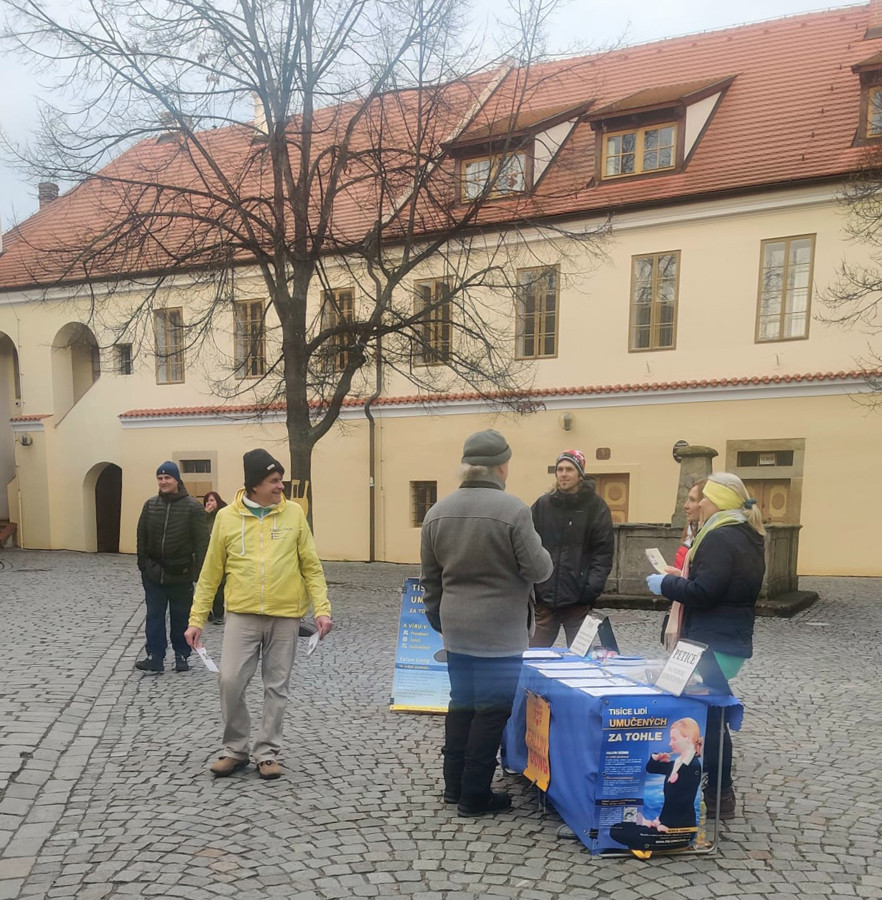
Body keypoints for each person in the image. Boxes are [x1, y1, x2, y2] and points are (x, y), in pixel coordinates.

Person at [421, 430, 553, 817]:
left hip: (457, 627)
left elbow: (430, 580)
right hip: (501, 632)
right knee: (492, 711)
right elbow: (539, 569)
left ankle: (454, 785)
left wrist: (441, 619)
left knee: (461, 705)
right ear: (501, 466)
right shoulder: (514, 511)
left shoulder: (436, 512)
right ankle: (475, 795)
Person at [185, 449, 332, 781]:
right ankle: (235, 749)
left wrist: (321, 610)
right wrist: (196, 620)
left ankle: (266, 752)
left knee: (276, 686)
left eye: (280, 480)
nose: (281, 486)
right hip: (242, 614)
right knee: (229, 680)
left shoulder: (294, 514)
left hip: (285, 617)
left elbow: (311, 566)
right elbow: (210, 575)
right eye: (274, 481)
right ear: (254, 485)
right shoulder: (226, 518)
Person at [646, 472, 765, 819]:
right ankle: (716, 793)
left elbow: (705, 592)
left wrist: (666, 585)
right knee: (712, 716)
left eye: (703, 498)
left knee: (712, 719)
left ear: (717, 502)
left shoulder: (719, 537)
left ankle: (719, 794)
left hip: (712, 641)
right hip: (726, 639)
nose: (697, 504)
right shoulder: (744, 534)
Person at [529, 450, 614, 647]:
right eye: (559, 469)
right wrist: (535, 587)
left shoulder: (596, 507)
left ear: (580, 474)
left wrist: (590, 590)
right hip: (544, 600)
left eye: (569, 469)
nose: (563, 474)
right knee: (532, 658)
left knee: (582, 662)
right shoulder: (542, 505)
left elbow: (603, 553)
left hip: (578, 601)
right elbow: (529, 546)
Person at [135, 461, 210, 675]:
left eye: (167, 478)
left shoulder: (192, 507)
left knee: (181, 616)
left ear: (177, 480)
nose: (163, 481)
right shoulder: (150, 505)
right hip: (154, 572)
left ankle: (181, 655)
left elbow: (201, 543)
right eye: (160, 478)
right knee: (154, 616)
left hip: (181, 572)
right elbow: (141, 537)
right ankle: (155, 656)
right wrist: (143, 565)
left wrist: (198, 572)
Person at [609, 718, 704, 853]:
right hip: (663, 825)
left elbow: (681, 802)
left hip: (678, 830)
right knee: (619, 828)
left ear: (687, 738)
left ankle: (655, 844)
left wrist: (659, 824)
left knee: (621, 832)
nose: (670, 743)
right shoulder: (677, 764)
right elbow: (651, 768)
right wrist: (656, 758)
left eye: (674, 739)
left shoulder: (692, 767)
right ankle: (647, 842)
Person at [203, 491, 228, 624]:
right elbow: (199, 530)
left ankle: (219, 613)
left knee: (219, 586)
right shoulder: (204, 516)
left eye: (212, 500)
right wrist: (205, 514)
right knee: (206, 585)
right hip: (206, 554)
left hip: (220, 553)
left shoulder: (224, 514)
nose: (209, 503)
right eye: (207, 501)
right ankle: (207, 612)